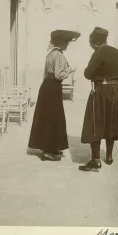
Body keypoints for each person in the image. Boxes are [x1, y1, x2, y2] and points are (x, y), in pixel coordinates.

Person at [28, 29, 80, 161]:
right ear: (60, 42)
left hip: (48, 86)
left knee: (50, 117)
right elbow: (58, 75)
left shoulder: (51, 53)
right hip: (52, 87)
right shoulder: (58, 55)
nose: (67, 44)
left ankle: (51, 147)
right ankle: (48, 151)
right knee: (52, 117)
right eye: (65, 42)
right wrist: (70, 69)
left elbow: (48, 74)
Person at [79, 27, 118, 172]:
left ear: (97, 42)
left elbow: (88, 74)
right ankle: (110, 156)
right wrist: (115, 88)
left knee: (95, 122)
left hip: (101, 90)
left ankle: (95, 160)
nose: (90, 46)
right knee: (111, 122)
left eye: (91, 43)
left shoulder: (98, 53)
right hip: (117, 90)